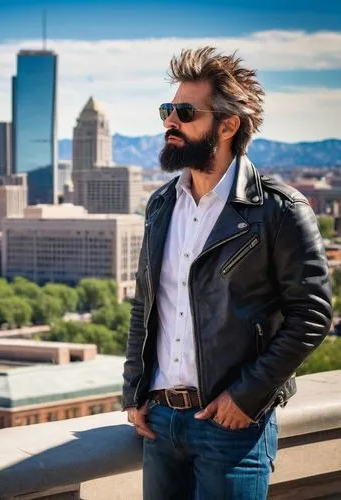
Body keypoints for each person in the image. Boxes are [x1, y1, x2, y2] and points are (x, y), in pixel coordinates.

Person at [121, 47, 332, 500]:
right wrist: (133, 391)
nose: (169, 122)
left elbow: (311, 316)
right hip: (159, 423)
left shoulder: (279, 210)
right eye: (166, 110)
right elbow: (147, 303)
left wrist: (247, 397)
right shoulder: (161, 205)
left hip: (231, 429)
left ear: (228, 124)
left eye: (184, 112)